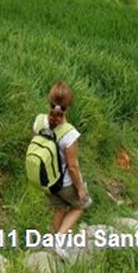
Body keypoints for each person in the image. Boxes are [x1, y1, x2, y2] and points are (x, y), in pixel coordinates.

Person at [33, 81, 91, 236]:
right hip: (63, 182)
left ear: (49, 100)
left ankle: (54, 242)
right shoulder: (70, 133)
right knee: (81, 205)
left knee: (60, 207)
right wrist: (80, 189)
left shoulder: (39, 121)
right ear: (69, 104)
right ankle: (59, 239)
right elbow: (72, 167)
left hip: (45, 179)